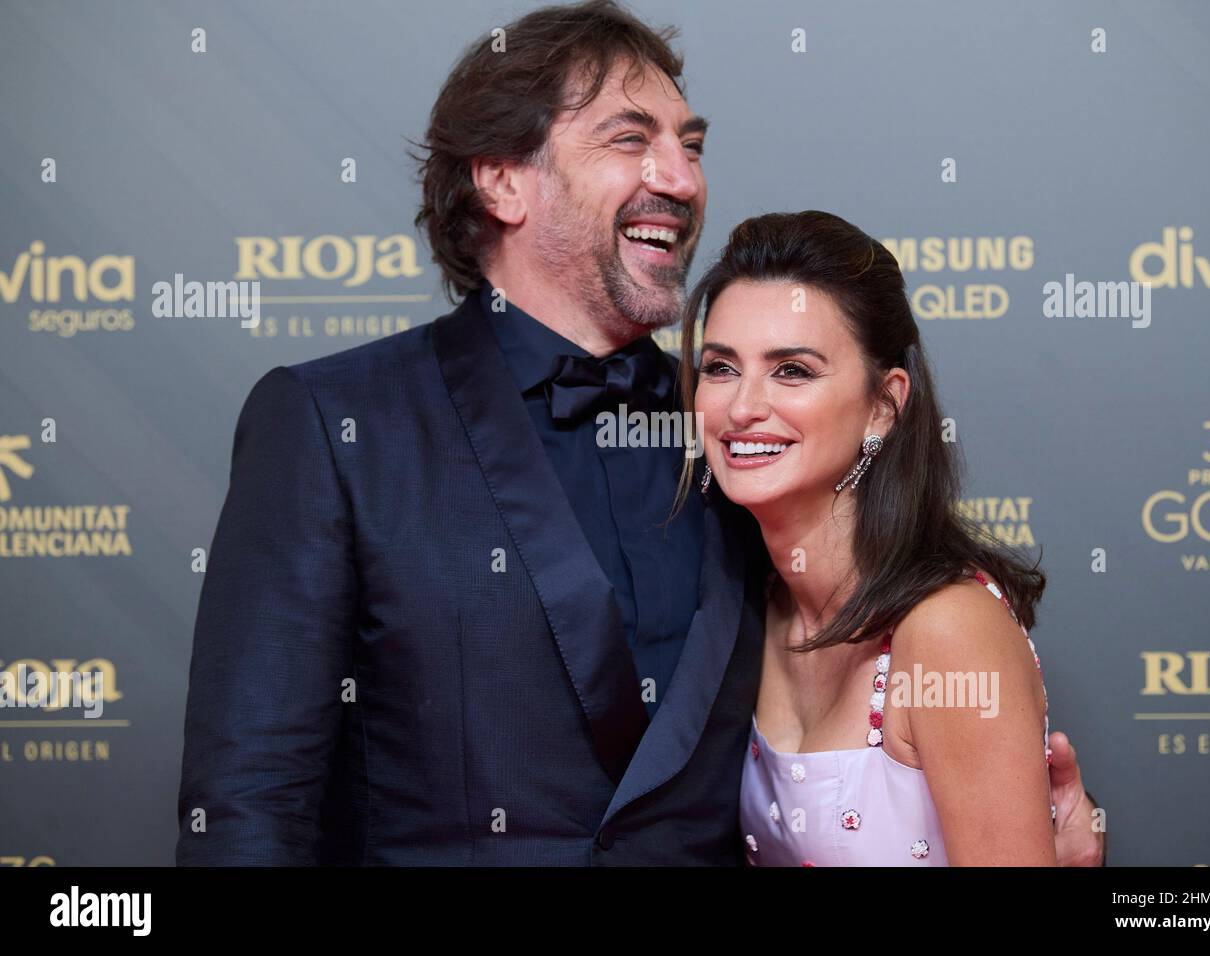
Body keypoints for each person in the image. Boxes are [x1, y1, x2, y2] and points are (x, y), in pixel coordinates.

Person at [175, 0, 1103, 866]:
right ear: (502, 179)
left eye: (690, 146)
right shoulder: (338, 425)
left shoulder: (741, 441)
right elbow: (251, 802)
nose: (683, 179)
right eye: (633, 140)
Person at [678, 210, 1067, 864]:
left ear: (883, 406)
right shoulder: (757, 603)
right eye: (720, 368)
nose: (742, 407)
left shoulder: (947, 634)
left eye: (792, 370)